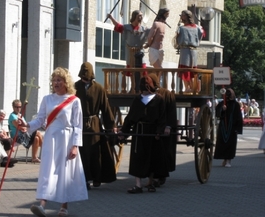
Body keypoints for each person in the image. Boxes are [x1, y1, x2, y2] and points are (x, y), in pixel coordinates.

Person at [19, 67, 88, 217]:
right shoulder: (47, 99)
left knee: (65, 173)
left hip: (67, 139)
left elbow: (78, 125)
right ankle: (42, 205)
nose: (56, 83)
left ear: (66, 82)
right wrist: (27, 125)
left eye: (59, 80)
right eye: (54, 80)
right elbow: (40, 120)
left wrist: (75, 146)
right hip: (51, 138)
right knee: (48, 171)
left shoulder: (74, 101)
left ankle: (64, 207)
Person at [118, 75, 167, 193]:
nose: (145, 91)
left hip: (152, 132)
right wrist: (124, 132)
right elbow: (130, 118)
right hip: (139, 132)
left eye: (147, 88)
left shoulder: (159, 100)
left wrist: (159, 132)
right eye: (143, 88)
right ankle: (138, 185)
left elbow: (162, 118)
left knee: (152, 157)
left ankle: (151, 183)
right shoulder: (137, 99)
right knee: (137, 158)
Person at [75, 62, 117, 190]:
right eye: (83, 77)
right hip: (79, 123)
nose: (85, 79)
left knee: (95, 152)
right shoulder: (75, 87)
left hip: (94, 125)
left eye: (87, 77)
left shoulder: (98, 88)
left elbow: (105, 107)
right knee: (82, 153)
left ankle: (97, 178)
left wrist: (111, 126)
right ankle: (85, 179)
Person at [107, 10, 150, 93]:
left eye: (141, 16)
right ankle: (133, 87)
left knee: (141, 70)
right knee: (131, 70)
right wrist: (111, 17)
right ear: (134, 17)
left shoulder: (144, 29)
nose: (141, 18)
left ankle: (140, 88)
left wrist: (149, 43)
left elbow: (153, 31)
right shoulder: (127, 28)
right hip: (130, 52)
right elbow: (118, 25)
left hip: (140, 52)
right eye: (139, 16)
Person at [148, 73, 177, 186]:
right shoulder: (147, 94)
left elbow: (171, 112)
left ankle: (161, 175)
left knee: (163, 152)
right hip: (153, 128)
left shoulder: (167, 94)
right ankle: (152, 175)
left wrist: (168, 126)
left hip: (164, 128)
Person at [214, 88, 243, 167]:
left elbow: (239, 117)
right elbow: (217, 113)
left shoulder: (236, 104)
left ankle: (228, 160)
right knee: (223, 143)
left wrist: (238, 129)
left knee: (230, 144)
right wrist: (222, 110)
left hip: (232, 128)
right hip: (223, 127)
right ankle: (224, 159)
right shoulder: (223, 103)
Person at [176, 10, 203, 92]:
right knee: (185, 71)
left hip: (188, 50)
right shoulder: (197, 28)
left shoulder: (182, 28)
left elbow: (177, 39)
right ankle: (187, 88)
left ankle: (192, 88)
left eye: (182, 15)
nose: (181, 16)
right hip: (188, 50)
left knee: (190, 71)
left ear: (187, 16)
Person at [145, 8, 169, 79]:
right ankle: (156, 84)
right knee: (159, 68)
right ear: (163, 14)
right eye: (167, 14)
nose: (168, 16)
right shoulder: (156, 24)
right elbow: (150, 37)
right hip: (154, 49)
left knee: (157, 70)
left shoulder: (163, 25)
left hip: (160, 49)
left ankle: (155, 84)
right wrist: (148, 44)